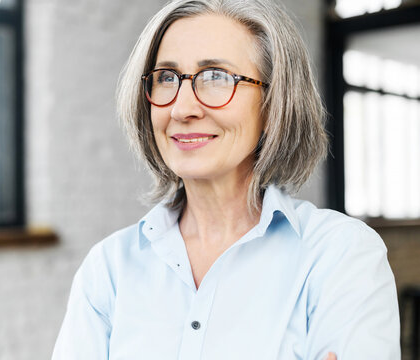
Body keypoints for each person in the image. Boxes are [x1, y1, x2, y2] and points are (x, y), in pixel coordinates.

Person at [51, 0, 401, 359]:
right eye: (167, 78)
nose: (182, 109)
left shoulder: (340, 255)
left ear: (273, 102)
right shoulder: (109, 269)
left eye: (217, 77)